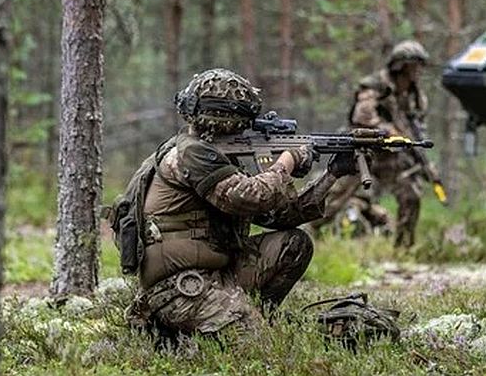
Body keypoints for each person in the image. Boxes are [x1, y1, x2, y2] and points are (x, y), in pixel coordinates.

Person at [128, 68, 356, 335]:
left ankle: (253, 317)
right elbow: (251, 197)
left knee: (294, 244)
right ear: (226, 118)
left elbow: (278, 216)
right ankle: (185, 330)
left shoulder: (213, 154)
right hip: (179, 286)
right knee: (256, 347)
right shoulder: (190, 154)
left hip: (217, 272)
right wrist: (288, 160)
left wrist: (332, 175)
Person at [310, 40, 438, 248]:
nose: (418, 71)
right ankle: (306, 231)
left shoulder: (416, 98)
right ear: (401, 66)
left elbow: (416, 130)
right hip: (363, 153)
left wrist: (422, 161)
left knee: (411, 193)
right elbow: (363, 116)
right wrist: (388, 131)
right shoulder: (375, 85)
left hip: (392, 157)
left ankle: (403, 250)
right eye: (414, 66)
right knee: (336, 197)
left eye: (419, 66)